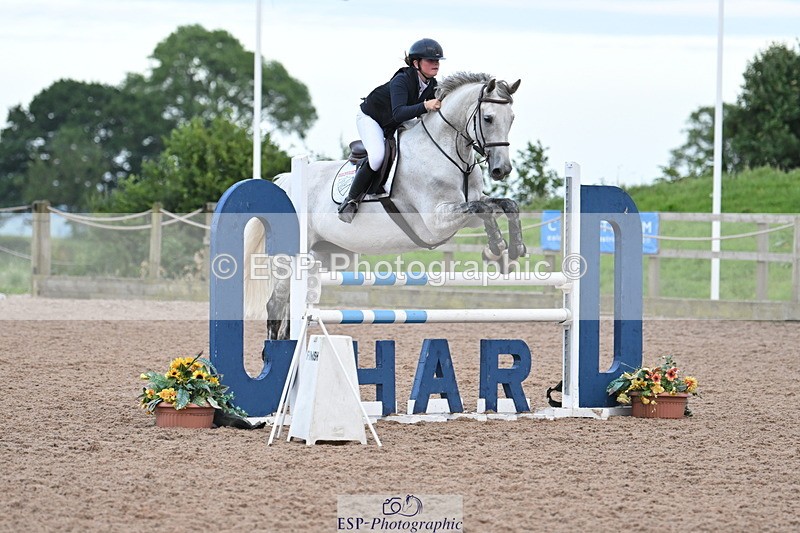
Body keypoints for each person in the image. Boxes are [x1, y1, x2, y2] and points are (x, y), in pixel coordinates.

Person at [338, 38, 445, 223]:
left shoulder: (432, 85)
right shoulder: (402, 80)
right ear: (416, 63)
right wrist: (425, 105)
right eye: (430, 60)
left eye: (437, 60)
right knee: (377, 157)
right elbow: (398, 113)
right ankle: (351, 200)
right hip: (372, 119)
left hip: (393, 123)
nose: (435, 64)